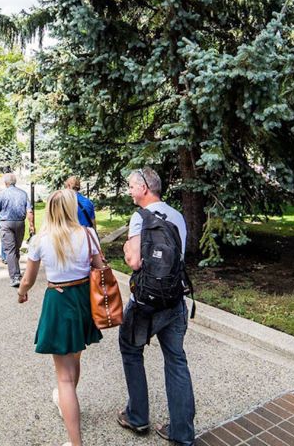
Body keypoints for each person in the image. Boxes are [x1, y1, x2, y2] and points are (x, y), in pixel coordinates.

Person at [17, 189, 105, 446]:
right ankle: (68, 402)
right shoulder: (88, 234)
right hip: (83, 300)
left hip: (59, 300)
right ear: (71, 209)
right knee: (75, 357)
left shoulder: (41, 240)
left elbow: (28, 280)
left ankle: (75, 442)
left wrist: (22, 293)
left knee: (63, 377)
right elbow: (100, 268)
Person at [117, 167, 195, 446]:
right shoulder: (177, 216)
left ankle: (137, 416)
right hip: (175, 299)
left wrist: (128, 248)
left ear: (145, 188)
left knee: (131, 349)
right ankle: (182, 433)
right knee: (176, 360)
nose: (129, 190)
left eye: (131, 186)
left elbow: (135, 262)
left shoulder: (139, 218)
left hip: (145, 303)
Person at [0, 173, 35, 287]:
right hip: (20, 224)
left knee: (11, 251)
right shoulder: (23, 193)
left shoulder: (3, 194)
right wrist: (31, 226)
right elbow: (29, 212)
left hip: (6, 224)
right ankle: (16, 273)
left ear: (5, 183)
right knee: (15, 249)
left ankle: (15, 277)